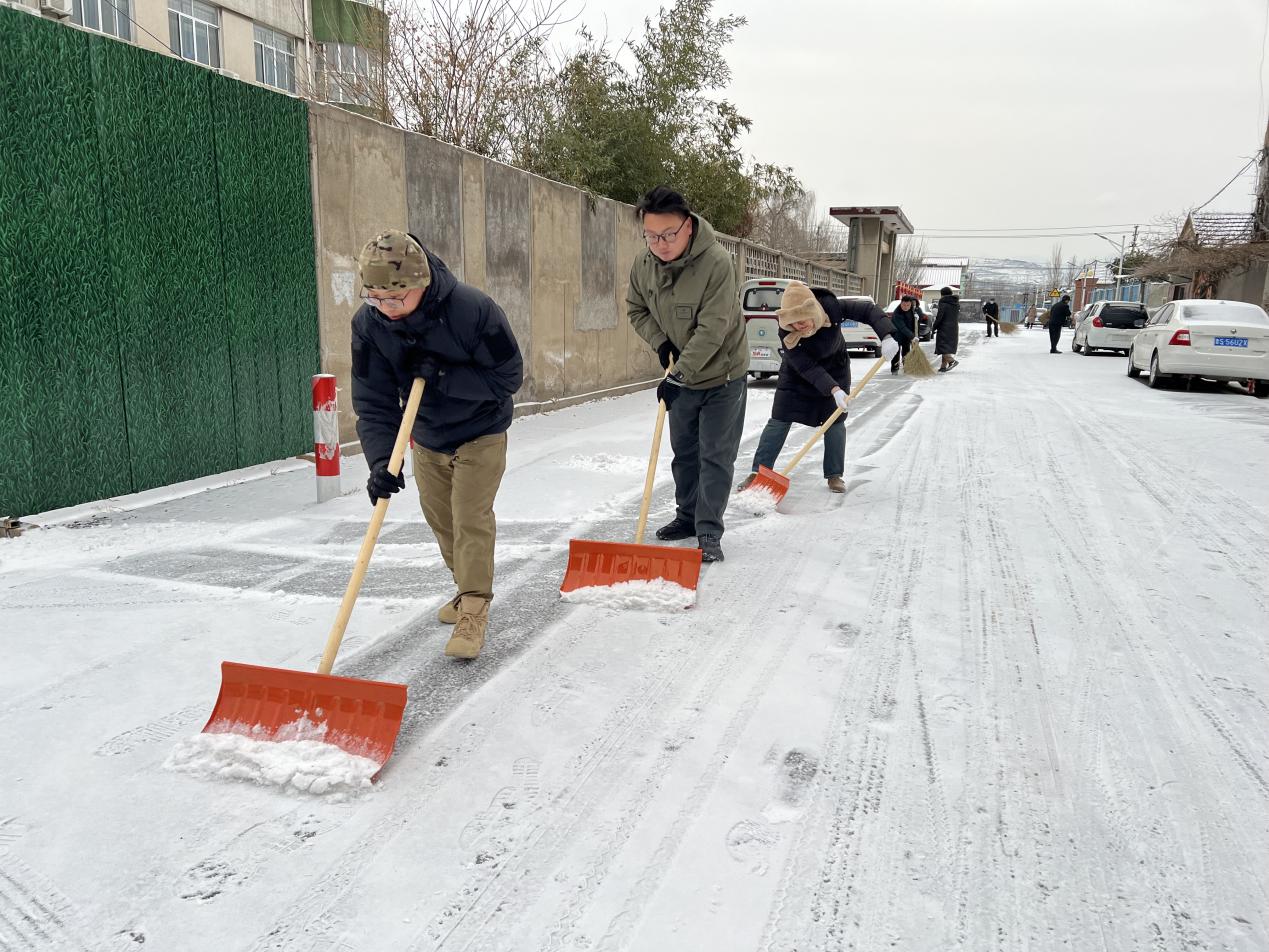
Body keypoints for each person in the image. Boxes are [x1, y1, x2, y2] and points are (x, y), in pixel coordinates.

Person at [351, 231, 523, 660]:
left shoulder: (472, 310)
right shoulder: (369, 326)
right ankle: (464, 590)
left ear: (420, 284)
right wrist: (379, 462)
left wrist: (445, 377)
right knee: (442, 521)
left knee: (469, 517)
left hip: (481, 430)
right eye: (375, 299)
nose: (386, 310)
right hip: (427, 436)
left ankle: (475, 608)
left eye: (395, 299)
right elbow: (372, 403)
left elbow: (508, 377)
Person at [626, 186, 748, 563]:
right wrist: (661, 344)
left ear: (688, 226)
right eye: (651, 236)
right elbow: (636, 309)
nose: (660, 244)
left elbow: (713, 329)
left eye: (668, 234)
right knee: (685, 453)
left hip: (722, 375)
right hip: (681, 371)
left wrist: (679, 375)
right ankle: (686, 516)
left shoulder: (717, 263)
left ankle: (709, 529)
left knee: (715, 454)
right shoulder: (643, 266)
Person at [737, 283, 897, 493]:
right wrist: (833, 390)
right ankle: (758, 472)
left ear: (813, 310)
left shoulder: (832, 307)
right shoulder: (787, 333)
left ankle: (834, 474)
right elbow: (807, 367)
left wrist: (886, 335)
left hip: (835, 369)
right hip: (797, 375)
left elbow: (868, 311)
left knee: (835, 422)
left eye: (802, 320)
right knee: (779, 419)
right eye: (793, 324)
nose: (799, 327)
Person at [933, 286, 960, 372]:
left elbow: (939, 317)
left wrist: (934, 327)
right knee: (945, 347)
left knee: (942, 347)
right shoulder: (955, 303)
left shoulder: (943, 303)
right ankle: (943, 366)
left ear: (942, 295)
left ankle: (951, 361)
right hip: (953, 328)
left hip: (944, 328)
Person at [889, 295, 919, 373]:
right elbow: (902, 327)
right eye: (904, 305)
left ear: (910, 304)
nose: (905, 307)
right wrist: (912, 336)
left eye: (908, 305)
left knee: (906, 352)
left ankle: (907, 368)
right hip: (896, 335)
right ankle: (894, 369)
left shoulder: (912, 309)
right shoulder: (897, 313)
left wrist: (918, 316)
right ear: (901, 303)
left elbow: (918, 315)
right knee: (896, 353)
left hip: (906, 336)